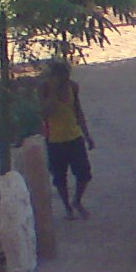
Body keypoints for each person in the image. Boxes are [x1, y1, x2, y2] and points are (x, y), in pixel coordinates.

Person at [39, 59, 95, 218]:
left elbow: (78, 111)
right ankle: (67, 207)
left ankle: (77, 200)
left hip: (74, 136)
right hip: (54, 139)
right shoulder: (45, 88)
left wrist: (87, 135)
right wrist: (53, 93)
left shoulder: (73, 87)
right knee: (59, 177)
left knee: (84, 173)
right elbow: (44, 113)